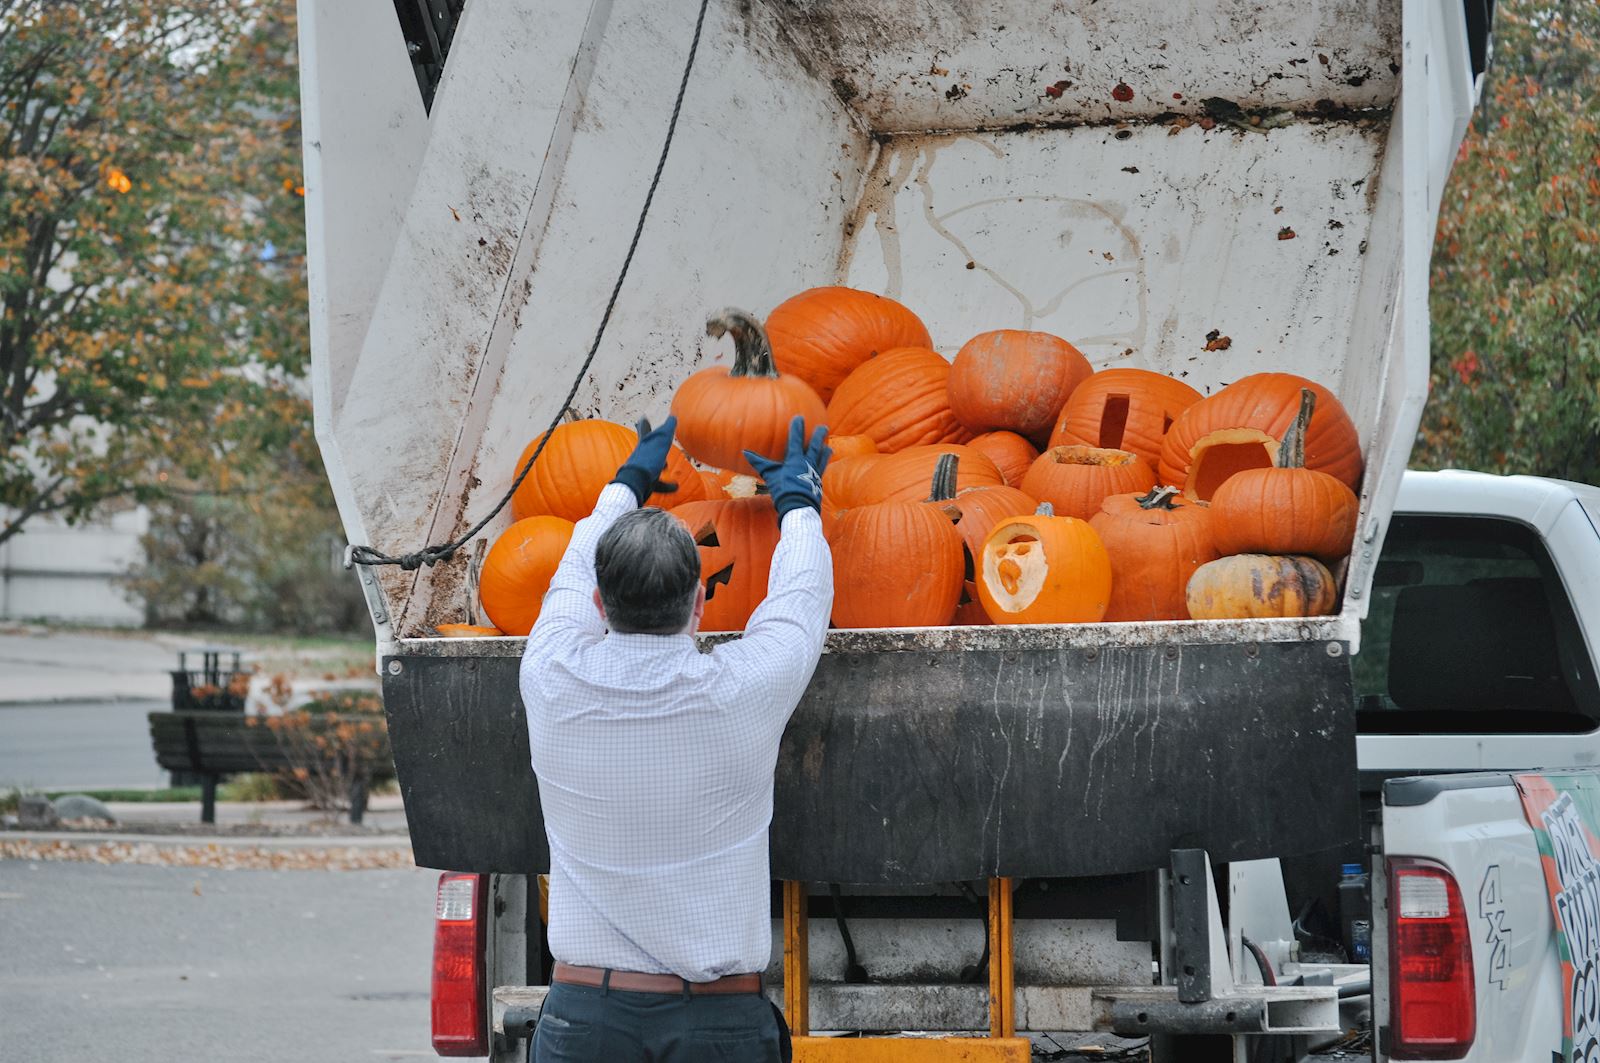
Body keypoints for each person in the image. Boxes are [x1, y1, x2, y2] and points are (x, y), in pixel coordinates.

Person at [520, 414, 833, 1062]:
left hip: (586, 1021)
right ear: (700, 603)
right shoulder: (742, 689)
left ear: (602, 607)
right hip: (716, 1024)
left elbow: (575, 566)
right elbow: (801, 600)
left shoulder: (550, 676)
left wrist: (626, 482)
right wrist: (799, 504)